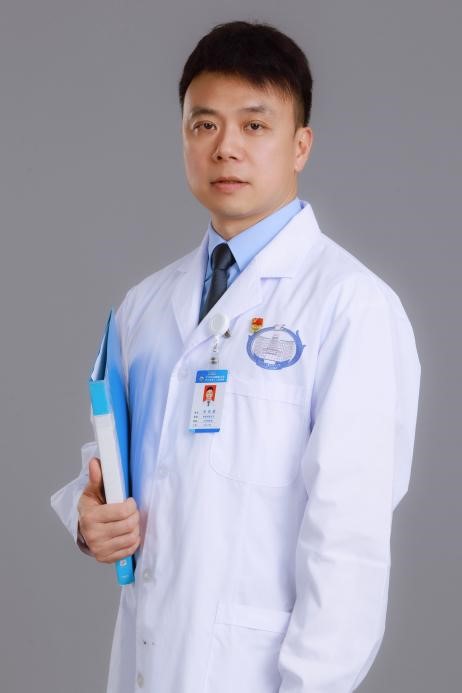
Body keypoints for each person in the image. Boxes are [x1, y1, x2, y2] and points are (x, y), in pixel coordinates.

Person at [50, 19, 421, 693]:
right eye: (204, 125)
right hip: (145, 664)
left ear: (300, 145)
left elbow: (347, 544)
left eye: (254, 125)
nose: (226, 148)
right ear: (184, 138)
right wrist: (90, 514)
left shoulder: (349, 306)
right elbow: (124, 465)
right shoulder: (144, 306)